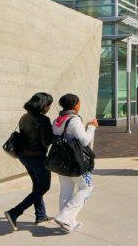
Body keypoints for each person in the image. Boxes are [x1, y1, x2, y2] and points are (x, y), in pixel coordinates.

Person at [4, 92, 55, 231]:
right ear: (43, 105)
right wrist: (56, 134)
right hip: (37, 157)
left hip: (24, 156)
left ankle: (41, 215)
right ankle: (14, 212)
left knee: (37, 186)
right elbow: (46, 141)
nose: (49, 108)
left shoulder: (24, 117)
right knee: (44, 187)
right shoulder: (43, 120)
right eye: (49, 105)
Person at [52, 93, 97, 233]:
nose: (80, 105)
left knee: (66, 191)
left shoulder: (57, 120)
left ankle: (68, 223)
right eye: (79, 102)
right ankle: (65, 217)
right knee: (87, 188)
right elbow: (85, 141)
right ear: (75, 105)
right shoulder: (74, 120)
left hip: (61, 162)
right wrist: (92, 127)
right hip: (76, 162)